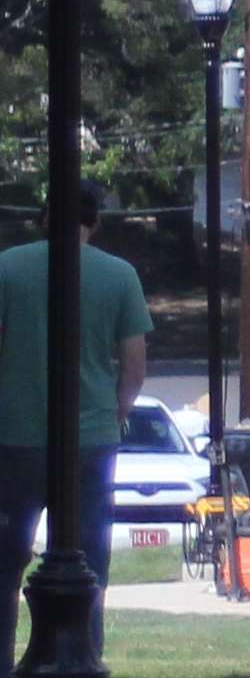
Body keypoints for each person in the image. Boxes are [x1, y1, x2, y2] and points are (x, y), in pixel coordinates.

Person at [0, 182, 157, 598]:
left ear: (46, 216)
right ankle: (83, 654)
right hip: (91, 441)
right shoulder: (120, 275)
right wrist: (114, 414)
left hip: (15, 439)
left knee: (4, 564)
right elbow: (135, 369)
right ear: (96, 223)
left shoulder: (7, 268)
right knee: (88, 565)